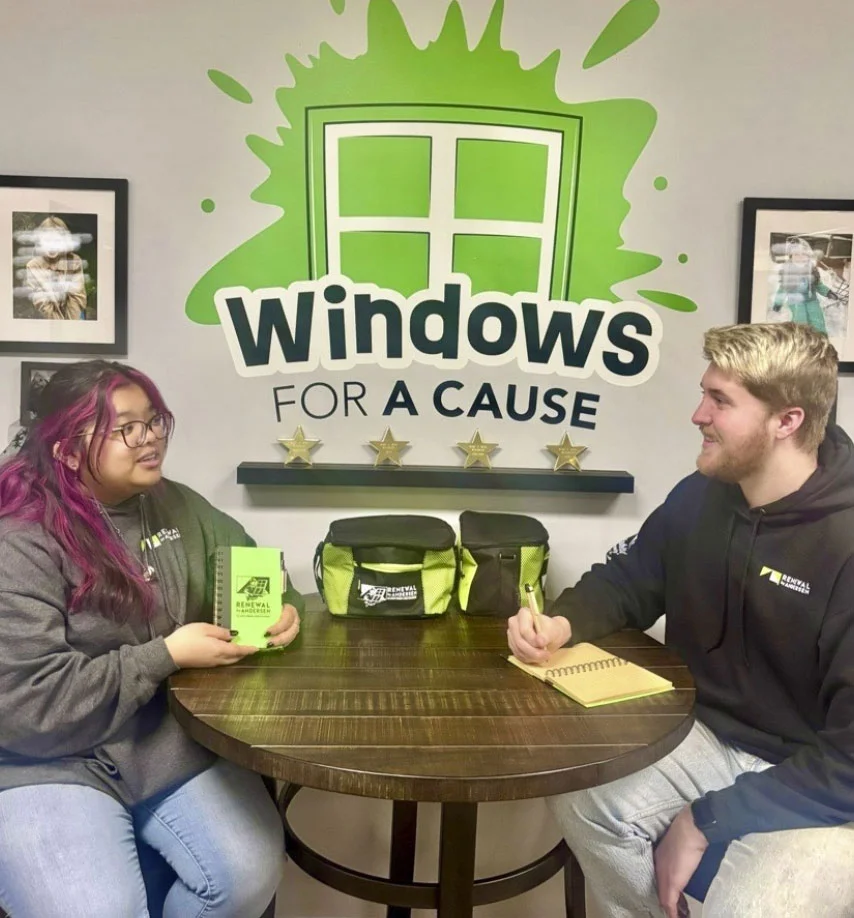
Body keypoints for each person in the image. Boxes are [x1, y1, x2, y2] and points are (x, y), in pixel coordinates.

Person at [507, 322, 854, 918]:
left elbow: (850, 761)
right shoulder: (702, 493)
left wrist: (704, 819)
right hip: (704, 735)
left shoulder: (845, 540)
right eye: (704, 393)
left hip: (817, 782)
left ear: (787, 421)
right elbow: (629, 579)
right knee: (583, 791)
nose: (698, 414)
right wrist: (561, 624)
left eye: (720, 401)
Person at [0, 360, 302, 918]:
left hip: (164, 741)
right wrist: (164, 655)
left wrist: (284, 608)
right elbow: (25, 702)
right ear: (66, 450)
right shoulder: (18, 535)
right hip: (42, 759)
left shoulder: (177, 504)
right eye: (126, 429)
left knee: (249, 875)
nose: (151, 439)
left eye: (155, 421)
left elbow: (256, 573)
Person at [23, 215, 88, 320]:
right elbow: (43, 304)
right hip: (48, 317)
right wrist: (59, 328)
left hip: (73, 314)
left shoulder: (74, 261)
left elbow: (76, 298)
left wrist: (71, 328)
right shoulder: (33, 266)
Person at [770, 237, 838, 335]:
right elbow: (782, 290)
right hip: (796, 302)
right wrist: (778, 303)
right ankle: (802, 338)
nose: (800, 257)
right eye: (796, 254)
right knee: (801, 322)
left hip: (812, 301)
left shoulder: (812, 271)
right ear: (791, 256)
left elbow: (819, 285)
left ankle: (821, 338)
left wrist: (828, 292)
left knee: (817, 319)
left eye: (803, 255)